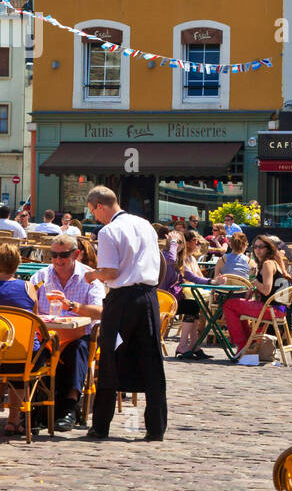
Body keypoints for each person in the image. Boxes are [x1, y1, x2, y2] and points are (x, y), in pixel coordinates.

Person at [82, 186, 167, 442]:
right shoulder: (145, 225)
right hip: (149, 297)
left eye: (92, 211)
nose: (94, 217)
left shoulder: (109, 231)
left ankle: (100, 426)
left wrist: (92, 275)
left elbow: (111, 272)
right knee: (152, 361)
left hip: (122, 301)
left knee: (110, 358)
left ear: (100, 205)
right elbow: (160, 263)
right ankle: (156, 428)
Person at [31, 233, 104, 430]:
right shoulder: (42, 276)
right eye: (54, 255)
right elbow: (29, 304)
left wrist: (71, 305)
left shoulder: (89, 277)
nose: (57, 260)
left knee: (78, 349)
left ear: (76, 254)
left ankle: (70, 407)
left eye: (63, 256)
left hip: (78, 336)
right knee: (32, 350)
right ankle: (31, 408)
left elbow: (100, 311)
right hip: (47, 337)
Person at [0, 242, 44, 436]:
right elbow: (35, 320)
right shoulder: (28, 287)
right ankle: (13, 420)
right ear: (18, 264)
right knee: (20, 354)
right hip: (23, 359)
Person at [223, 236, 292, 353]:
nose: (257, 250)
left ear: (268, 249)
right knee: (236, 306)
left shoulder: (267, 264)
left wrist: (252, 278)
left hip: (271, 309)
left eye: (261, 247)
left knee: (229, 304)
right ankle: (247, 342)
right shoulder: (273, 262)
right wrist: (253, 287)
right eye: (255, 247)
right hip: (278, 309)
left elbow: (266, 290)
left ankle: (243, 343)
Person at [173, 231, 212, 360]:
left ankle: (194, 346)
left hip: (189, 294)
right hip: (175, 297)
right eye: (196, 241)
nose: (198, 244)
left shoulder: (192, 258)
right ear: (188, 243)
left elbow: (198, 276)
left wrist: (209, 282)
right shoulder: (181, 259)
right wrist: (210, 282)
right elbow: (190, 277)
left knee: (194, 307)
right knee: (192, 307)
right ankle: (183, 345)